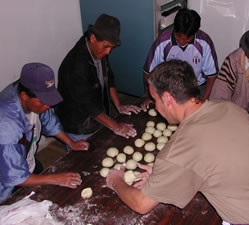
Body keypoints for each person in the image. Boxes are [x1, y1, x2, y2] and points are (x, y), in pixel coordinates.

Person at [106, 60, 249, 225]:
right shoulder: (228, 107)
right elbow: (218, 158)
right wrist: (167, 178)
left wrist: (116, 181)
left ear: (168, 99)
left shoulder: (181, 148)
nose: (156, 106)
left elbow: (141, 204)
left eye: (155, 100)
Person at [0, 63, 89, 203]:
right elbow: (14, 176)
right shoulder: (7, 127)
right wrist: (56, 179)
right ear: (24, 96)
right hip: (5, 185)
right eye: (43, 102)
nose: (48, 106)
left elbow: (50, 121)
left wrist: (71, 142)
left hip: (27, 162)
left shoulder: (29, 93)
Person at [56, 13, 141, 142]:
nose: (108, 52)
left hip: (95, 115)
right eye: (106, 46)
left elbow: (109, 77)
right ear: (93, 38)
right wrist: (116, 126)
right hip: (78, 123)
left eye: (111, 48)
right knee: (82, 159)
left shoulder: (99, 50)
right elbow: (87, 105)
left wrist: (118, 105)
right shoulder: (76, 66)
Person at [141, 8, 218, 110]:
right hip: (170, 87)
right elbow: (148, 73)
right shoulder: (162, 42)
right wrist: (149, 96)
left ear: (195, 32)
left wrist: (205, 99)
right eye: (178, 37)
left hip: (197, 87)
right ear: (174, 29)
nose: (182, 42)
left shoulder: (204, 42)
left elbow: (212, 76)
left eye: (187, 39)